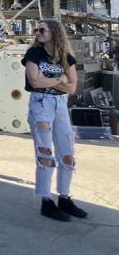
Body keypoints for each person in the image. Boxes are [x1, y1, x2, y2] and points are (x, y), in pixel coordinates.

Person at [22, 18, 87, 221]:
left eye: (43, 30)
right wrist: (60, 79)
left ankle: (64, 197)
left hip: (60, 105)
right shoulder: (34, 54)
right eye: (37, 29)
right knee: (45, 153)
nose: (38, 33)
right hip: (41, 104)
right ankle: (46, 201)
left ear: (54, 33)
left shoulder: (65, 57)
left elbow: (73, 86)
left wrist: (49, 81)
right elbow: (34, 81)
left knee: (67, 153)